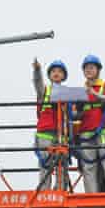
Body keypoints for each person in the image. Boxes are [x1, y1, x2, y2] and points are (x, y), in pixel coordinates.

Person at [77, 54, 105, 193]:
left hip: (104, 131)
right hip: (86, 132)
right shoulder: (80, 91)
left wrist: (94, 94)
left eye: (91, 68)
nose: (89, 70)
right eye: (86, 68)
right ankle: (91, 197)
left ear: (98, 70)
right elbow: (74, 114)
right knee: (88, 167)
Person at [33, 58, 68, 189]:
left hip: (61, 135)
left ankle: (59, 191)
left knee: (61, 167)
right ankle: (44, 193)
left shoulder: (68, 93)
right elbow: (38, 83)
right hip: (45, 134)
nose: (56, 73)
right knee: (45, 166)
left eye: (59, 71)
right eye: (53, 71)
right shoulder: (45, 91)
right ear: (49, 75)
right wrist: (37, 70)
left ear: (64, 76)